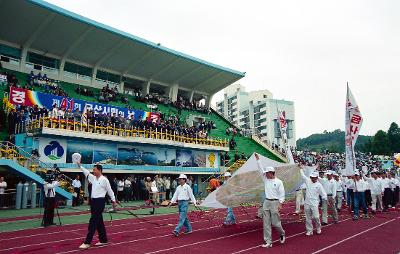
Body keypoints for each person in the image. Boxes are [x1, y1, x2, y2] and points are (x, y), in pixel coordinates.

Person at [75, 157, 117, 250]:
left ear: (99, 170)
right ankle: (103, 239)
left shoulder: (104, 180)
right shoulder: (93, 178)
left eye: (94, 169)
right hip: (93, 202)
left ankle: (87, 242)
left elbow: (110, 191)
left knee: (93, 222)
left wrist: (113, 201)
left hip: (100, 202)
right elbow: (86, 172)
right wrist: (79, 165)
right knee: (99, 222)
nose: (93, 171)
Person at [255, 153, 285, 248]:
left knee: (276, 223)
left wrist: (280, 203)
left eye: (267, 173)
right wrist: (258, 160)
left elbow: (282, 194)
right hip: (266, 202)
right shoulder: (265, 179)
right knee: (266, 223)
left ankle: (282, 233)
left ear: (272, 173)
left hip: (275, 203)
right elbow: (260, 170)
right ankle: (268, 242)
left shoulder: (279, 182)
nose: (265, 174)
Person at [300, 169, 327, 236]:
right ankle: (309, 230)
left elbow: (323, 194)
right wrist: (300, 168)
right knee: (308, 218)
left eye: (314, 177)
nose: (312, 178)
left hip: (314, 203)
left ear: (317, 178)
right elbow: (303, 175)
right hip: (307, 203)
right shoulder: (308, 181)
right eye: (312, 177)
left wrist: (325, 200)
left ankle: (318, 228)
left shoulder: (319, 185)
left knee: (316, 217)